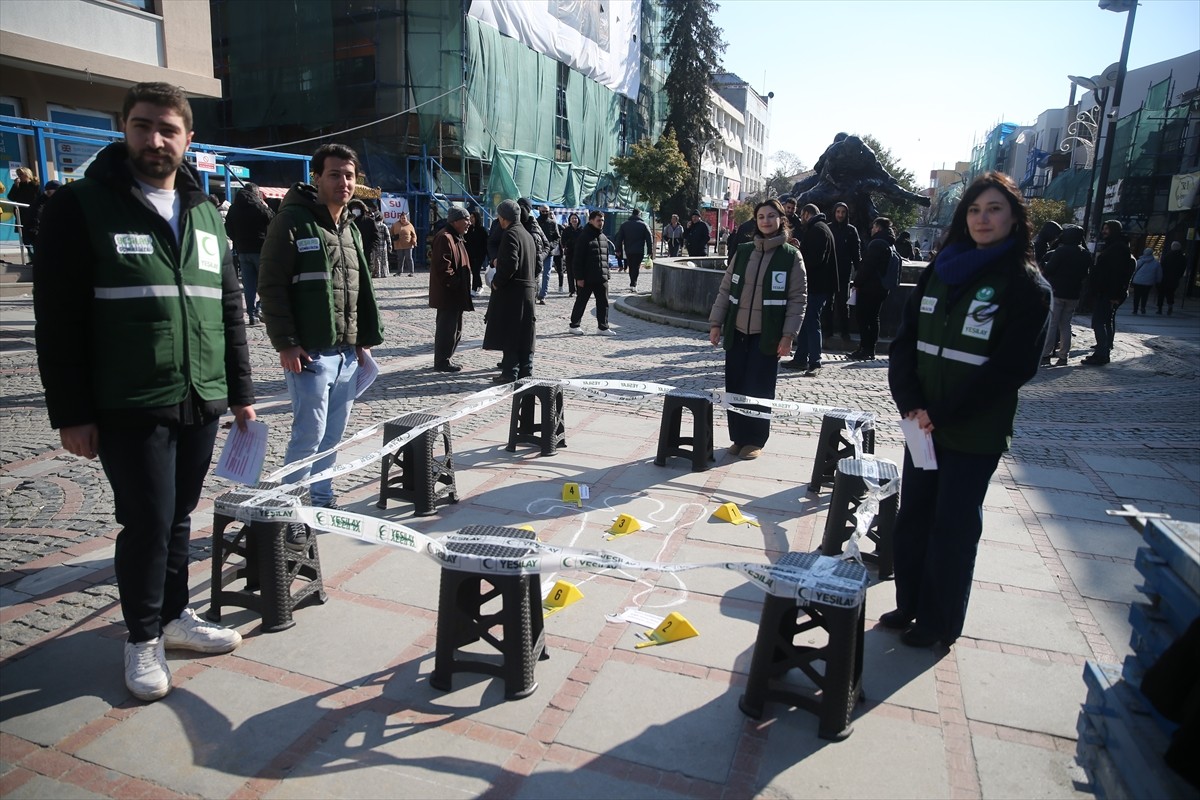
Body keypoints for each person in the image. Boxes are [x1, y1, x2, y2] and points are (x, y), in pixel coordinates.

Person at [33, 82, 254, 702]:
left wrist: (239, 390)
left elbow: (229, 308)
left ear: (187, 139)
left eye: (167, 129)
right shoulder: (81, 206)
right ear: (125, 130)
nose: (154, 140)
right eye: (141, 126)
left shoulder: (206, 212)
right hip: (130, 398)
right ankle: (141, 639)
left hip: (200, 394)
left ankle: (176, 618)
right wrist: (72, 412)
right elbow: (58, 319)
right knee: (148, 520)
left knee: (180, 516)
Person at [884, 172, 1050, 649]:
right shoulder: (941, 268)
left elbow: (1012, 367)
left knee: (953, 526)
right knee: (913, 516)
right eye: (975, 210)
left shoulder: (1025, 285)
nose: (983, 218)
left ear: (1015, 217)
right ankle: (909, 603)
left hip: (972, 430)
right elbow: (904, 343)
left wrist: (943, 412)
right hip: (922, 426)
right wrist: (913, 404)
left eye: (995, 209)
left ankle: (939, 623)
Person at [259, 143, 384, 513]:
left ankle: (321, 498)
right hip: (310, 354)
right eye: (334, 174)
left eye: (349, 175)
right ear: (316, 178)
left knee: (332, 437)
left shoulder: (350, 229)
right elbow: (271, 286)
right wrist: (286, 342)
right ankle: (288, 508)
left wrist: (361, 341)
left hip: (346, 354)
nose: (343, 182)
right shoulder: (292, 221)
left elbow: (358, 290)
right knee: (308, 436)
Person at [707, 199, 807, 460]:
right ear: (756, 221)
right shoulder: (743, 251)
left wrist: (788, 336)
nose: (766, 221)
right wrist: (716, 324)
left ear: (781, 220)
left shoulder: (790, 256)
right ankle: (739, 437)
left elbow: (798, 299)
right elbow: (726, 289)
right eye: (761, 216)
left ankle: (755, 439)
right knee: (736, 385)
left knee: (759, 388)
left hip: (768, 335)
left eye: (771, 216)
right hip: (738, 332)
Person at [483, 199, 538, 382]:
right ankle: (525, 372)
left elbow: (510, 264)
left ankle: (509, 373)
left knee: (511, 334)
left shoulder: (511, 233)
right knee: (524, 335)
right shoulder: (527, 234)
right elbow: (536, 264)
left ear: (503, 218)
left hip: (513, 293)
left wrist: (497, 283)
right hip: (527, 291)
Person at [783, 203, 838, 376]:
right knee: (807, 323)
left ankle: (815, 360)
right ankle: (801, 358)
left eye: (802, 214)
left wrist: (799, 252)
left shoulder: (817, 230)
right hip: (820, 285)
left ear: (807, 214)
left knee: (812, 322)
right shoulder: (821, 228)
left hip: (817, 285)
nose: (801, 218)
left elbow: (814, 260)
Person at [1082, 220, 1135, 367]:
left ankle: (1102, 354)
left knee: (1099, 322)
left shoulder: (1118, 248)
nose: (1104, 231)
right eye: (1103, 228)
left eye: (1107, 228)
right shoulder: (1113, 246)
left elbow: (1116, 275)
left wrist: (1114, 295)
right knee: (1103, 322)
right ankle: (1102, 351)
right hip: (1105, 291)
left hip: (1108, 293)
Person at [1039, 224, 1091, 366]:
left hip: (1057, 292)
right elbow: (1086, 274)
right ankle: (1063, 356)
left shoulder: (1061, 251)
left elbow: (1049, 269)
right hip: (1074, 293)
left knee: (1052, 324)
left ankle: (1045, 354)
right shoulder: (1085, 254)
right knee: (1066, 325)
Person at [429, 206, 474, 372]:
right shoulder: (445, 238)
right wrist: (454, 284)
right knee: (447, 329)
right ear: (455, 221)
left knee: (454, 328)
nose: (469, 223)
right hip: (448, 294)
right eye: (466, 219)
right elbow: (444, 267)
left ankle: (445, 359)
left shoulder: (456, 237)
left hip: (455, 294)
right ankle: (442, 361)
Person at [224, 182, 274, 326]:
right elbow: (272, 218)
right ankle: (259, 308)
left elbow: (228, 228)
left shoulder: (234, 208)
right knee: (266, 283)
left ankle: (252, 315)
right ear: (256, 193)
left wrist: (237, 240)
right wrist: (264, 205)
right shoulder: (258, 206)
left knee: (249, 285)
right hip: (260, 249)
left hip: (243, 251)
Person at [848, 217, 897, 361]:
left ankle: (865, 348)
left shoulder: (876, 244)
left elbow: (867, 267)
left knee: (864, 318)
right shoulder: (889, 242)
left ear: (878, 228)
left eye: (874, 227)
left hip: (870, 288)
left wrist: (857, 283)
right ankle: (870, 349)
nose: (872, 229)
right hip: (881, 288)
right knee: (874, 318)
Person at [570, 210, 616, 335]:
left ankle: (603, 327)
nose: (601, 223)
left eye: (602, 220)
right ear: (591, 220)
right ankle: (574, 325)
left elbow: (605, 257)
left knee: (603, 303)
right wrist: (579, 277)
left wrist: (607, 274)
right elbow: (577, 259)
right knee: (581, 301)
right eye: (598, 220)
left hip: (601, 277)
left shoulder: (603, 237)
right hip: (587, 277)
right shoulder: (584, 237)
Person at [829, 201, 861, 342]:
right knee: (828, 302)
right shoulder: (828, 228)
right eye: (838, 212)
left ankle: (845, 332)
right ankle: (827, 331)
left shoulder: (851, 230)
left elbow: (856, 253)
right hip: (829, 271)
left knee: (843, 303)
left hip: (844, 272)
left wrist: (859, 272)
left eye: (843, 212)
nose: (840, 215)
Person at [616, 208, 654, 292]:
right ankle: (634, 283)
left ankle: (632, 283)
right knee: (636, 266)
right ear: (639, 214)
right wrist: (650, 251)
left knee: (631, 265)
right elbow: (649, 239)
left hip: (628, 249)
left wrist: (617, 249)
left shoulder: (624, 225)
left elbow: (619, 238)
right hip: (639, 250)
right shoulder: (644, 225)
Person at [7, 167, 41, 261]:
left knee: (34, 237)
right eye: (18, 175)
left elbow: (38, 197)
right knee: (25, 239)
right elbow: (11, 197)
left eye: (21, 174)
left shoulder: (34, 185)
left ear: (27, 174)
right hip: (21, 215)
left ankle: (37, 259)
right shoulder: (19, 186)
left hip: (33, 215)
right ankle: (32, 258)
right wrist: (15, 186)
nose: (19, 177)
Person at [536, 204, 561, 302]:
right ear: (539, 211)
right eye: (543, 211)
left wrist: (551, 246)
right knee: (536, 273)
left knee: (546, 274)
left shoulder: (552, 223)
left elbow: (557, 237)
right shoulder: (535, 222)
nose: (545, 213)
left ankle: (543, 295)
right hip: (538, 252)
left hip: (549, 252)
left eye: (547, 211)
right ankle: (536, 292)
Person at [1130, 247, 1161, 315]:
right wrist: (1158, 281)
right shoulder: (1156, 263)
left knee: (1136, 296)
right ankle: (1143, 307)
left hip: (1137, 281)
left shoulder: (1139, 261)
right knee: (1145, 295)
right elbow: (1159, 274)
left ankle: (1135, 309)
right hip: (1148, 282)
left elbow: (1133, 270)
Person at [464, 209, 488, 295]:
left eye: (473, 217)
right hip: (470, 254)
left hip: (479, 255)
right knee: (474, 271)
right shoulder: (469, 229)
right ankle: (480, 285)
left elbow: (486, 243)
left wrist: (486, 255)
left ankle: (474, 289)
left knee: (476, 270)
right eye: (470, 217)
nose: (471, 219)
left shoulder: (482, 230)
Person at [1158, 241, 1185, 315]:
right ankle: (1170, 306)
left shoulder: (1168, 255)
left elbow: (1162, 266)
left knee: (1161, 293)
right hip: (1174, 279)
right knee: (1170, 293)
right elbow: (1182, 269)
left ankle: (1159, 308)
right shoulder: (1182, 257)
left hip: (1165, 278)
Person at [560, 212, 583, 297]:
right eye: (572, 218)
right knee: (570, 272)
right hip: (570, 254)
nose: (574, 220)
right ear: (570, 220)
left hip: (580, 254)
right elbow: (562, 241)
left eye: (575, 218)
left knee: (579, 272)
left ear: (578, 219)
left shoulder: (582, 230)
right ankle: (572, 290)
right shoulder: (567, 230)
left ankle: (579, 289)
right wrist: (567, 244)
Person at [391, 210, 417, 276]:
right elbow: (391, 233)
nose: (403, 219)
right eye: (402, 218)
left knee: (409, 258)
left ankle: (411, 272)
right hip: (399, 244)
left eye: (404, 218)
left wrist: (414, 241)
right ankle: (399, 272)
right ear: (400, 218)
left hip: (408, 244)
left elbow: (414, 235)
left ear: (406, 218)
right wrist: (393, 237)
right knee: (400, 259)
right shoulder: (395, 225)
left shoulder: (410, 225)